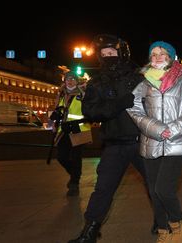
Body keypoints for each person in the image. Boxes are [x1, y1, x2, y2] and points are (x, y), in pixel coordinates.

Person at [68, 34, 148, 243]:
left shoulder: (139, 76)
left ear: (122, 53)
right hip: (114, 144)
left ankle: (165, 223)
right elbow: (91, 111)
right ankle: (90, 231)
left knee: (156, 186)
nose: (108, 57)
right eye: (104, 54)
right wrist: (119, 104)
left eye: (112, 53)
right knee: (103, 188)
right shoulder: (97, 81)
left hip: (143, 142)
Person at [127, 41, 182, 243]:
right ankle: (163, 230)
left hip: (177, 143)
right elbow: (133, 109)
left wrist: (173, 130)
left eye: (162, 53)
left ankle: (178, 222)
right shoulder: (143, 84)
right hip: (150, 143)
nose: (157, 57)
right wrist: (158, 130)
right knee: (153, 191)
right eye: (153, 54)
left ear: (171, 57)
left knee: (163, 189)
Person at [49, 71, 90, 197]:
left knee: (76, 158)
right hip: (64, 130)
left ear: (77, 81)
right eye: (67, 79)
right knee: (61, 156)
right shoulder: (61, 93)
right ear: (64, 81)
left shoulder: (82, 93)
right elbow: (58, 109)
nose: (70, 81)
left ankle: (74, 184)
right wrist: (54, 120)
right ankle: (74, 174)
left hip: (79, 129)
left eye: (72, 79)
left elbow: (89, 109)